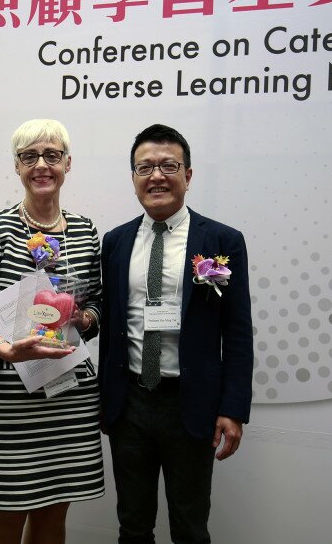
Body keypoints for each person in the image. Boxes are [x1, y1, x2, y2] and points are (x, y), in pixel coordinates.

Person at [98, 123, 254, 543]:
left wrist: (234, 408)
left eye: (169, 165)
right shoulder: (114, 242)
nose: (157, 176)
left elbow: (237, 333)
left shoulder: (222, 240)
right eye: (145, 167)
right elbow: (111, 325)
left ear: (188, 174)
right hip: (129, 402)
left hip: (191, 406)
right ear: (133, 178)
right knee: (132, 524)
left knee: (189, 526)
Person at [0, 119, 105, 544]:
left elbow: (97, 303)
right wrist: (5, 349)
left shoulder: (85, 231)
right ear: (17, 167)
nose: (41, 165)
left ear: (67, 163)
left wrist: (85, 318)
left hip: (69, 396)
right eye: (29, 156)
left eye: (51, 155)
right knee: (5, 520)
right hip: (9, 402)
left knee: (53, 519)